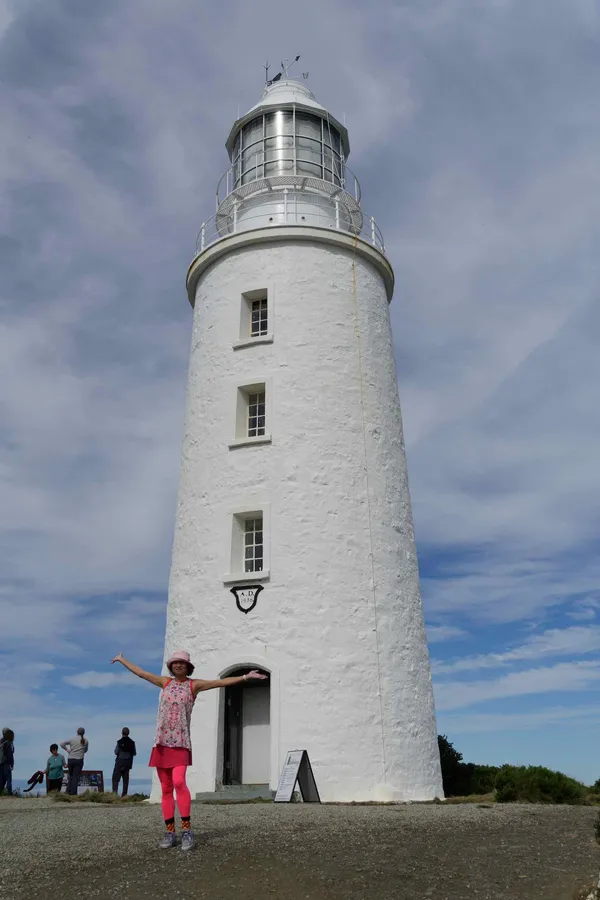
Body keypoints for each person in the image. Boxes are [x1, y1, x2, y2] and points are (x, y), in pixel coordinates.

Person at [111, 649, 267, 851]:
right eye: (175, 663)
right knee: (166, 789)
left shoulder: (194, 685)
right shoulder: (164, 682)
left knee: (178, 782)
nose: (178, 665)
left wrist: (245, 677)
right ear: (171, 666)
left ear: (188, 667)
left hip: (181, 742)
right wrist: (123, 660)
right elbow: (142, 673)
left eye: (182, 663)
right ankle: (169, 832)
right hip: (161, 743)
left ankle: (186, 831)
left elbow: (219, 683)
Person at [60, 727, 88, 795]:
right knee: (75, 777)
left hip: (70, 759)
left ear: (77, 732)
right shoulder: (86, 741)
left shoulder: (72, 739)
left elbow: (61, 744)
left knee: (71, 776)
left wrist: (67, 750)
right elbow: (85, 750)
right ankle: (73, 794)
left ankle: (68, 792)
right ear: (83, 733)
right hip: (79, 760)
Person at [112, 727, 136, 796]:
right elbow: (134, 753)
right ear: (128, 733)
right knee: (125, 779)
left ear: (122, 733)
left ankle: (114, 794)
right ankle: (124, 794)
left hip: (119, 761)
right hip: (128, 762)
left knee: (115, 778)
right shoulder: (132, 742)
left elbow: (116, 752)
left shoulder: (119, 742)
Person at [0, 728, 15, 795]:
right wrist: (11, 764)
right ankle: (9, 793)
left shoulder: (1, 742)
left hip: (0, 764)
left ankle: (1, 793)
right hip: (6, 764)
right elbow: (10, 755)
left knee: (1, 780)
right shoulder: (8, 743)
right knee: (8, 779)